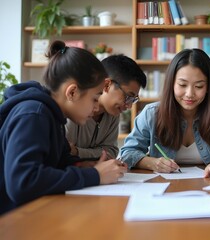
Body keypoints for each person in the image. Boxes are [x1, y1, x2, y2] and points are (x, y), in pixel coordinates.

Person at [0, 40, 127, 215]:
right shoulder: (34, 115)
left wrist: (85, 165)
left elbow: (54, 163)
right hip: (12, 220)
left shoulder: (53, 117)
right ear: (72, 92)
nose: (96, 108)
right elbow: (23, 182)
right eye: (95, 99)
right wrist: (95, 175)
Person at [120, 48, 210, 180]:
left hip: (207, 183)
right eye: (182, 85)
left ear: (208, 87)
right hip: (162, 185)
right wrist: (153, 163)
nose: (189, 94)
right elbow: (127, 153)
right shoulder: (151, 113)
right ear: (172, 84)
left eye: (199, 86)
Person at [66, 54, 147, 163]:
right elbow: (64, 153)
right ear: (107, 85)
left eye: (133, 100)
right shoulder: (71, 107)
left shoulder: (113, 113)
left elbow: (111, 152)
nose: (129, 106)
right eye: (128, 96)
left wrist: (77, 152)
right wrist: (94, 158)